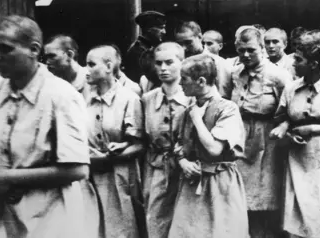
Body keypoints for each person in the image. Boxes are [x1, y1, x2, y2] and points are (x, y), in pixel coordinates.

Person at [0, 15, 90, 237]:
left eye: (6, 49)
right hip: (7, 218)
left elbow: (78, 169)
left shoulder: (61, 95)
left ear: (34, 49)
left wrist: (5, 178)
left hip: (50, 219)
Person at [270, 30, 320, 238]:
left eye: (298, 59)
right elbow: (281, 116)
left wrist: (312, 129)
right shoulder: (291, 89)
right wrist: (286, 132)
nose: (294, 63)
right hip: (297, 158)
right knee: (297, 209)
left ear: (313, 64)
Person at [168, 54, 248, 238]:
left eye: (185, 79)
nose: (180, 84)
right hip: (192, 184)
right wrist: (183, 162)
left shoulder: (227, 109)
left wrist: (197, 119)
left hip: (219, 185)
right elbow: (178, 143)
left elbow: (214, 149)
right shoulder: (189, 108)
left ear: (201, 81)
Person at [231, 27, 291, 237]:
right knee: (242, 192)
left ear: (262, 48)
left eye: (251, 50)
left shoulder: (278, 75)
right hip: (241, 134)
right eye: (241, 50)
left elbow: (290, 107)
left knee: (267, 192)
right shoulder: (236, 74)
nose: (245, 55)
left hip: (268, 138)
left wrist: (283, 126)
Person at [84, 45, 146, 238]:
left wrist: (110, 157)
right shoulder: (84, 99)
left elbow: (139, 144)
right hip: (90, 176)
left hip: (120, 178)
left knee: (121, 229)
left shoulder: (129, 99)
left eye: (91, 64)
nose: (86, 70)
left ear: (109, 66)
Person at [142, 42, 191, 238]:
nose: (163, 68)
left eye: (169, 62)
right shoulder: (147, 99)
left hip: (186, 170)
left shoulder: (193, 98)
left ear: (182, 62)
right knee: (156, 219)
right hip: (157, 169)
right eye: (158, 63)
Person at [174, 21, 232, 99]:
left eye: (188, 42)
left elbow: (223, 95)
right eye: (180, 44)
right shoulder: (178, 63)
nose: (184, 48)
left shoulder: (218, 63)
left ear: (200, 37)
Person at [125, 10, 166, 82]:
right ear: (148, 29)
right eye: (161, 28)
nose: (164, 32)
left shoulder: (148, 48)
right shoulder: (138, 51)